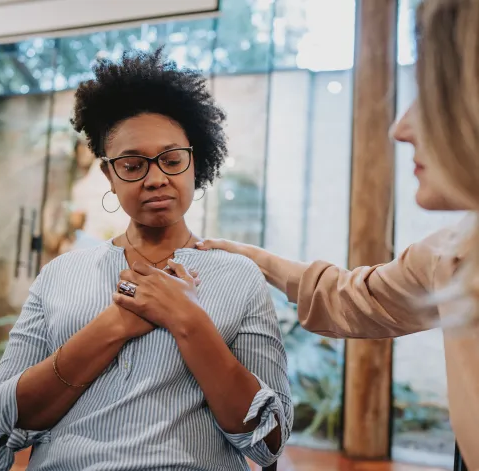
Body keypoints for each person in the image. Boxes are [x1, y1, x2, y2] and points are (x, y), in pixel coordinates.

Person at [0, 49, 292, 471]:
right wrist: (114, 325)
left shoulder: (239, 276)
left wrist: (188, 320)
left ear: (195, 162)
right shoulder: (60, 274)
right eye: (132, 164)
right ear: (108, 174)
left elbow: (269, 439)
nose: (156, 178)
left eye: (172, 159)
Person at [195, 0, 479, 469]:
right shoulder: (450, 256)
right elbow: (350, 297)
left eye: (431, 97)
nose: (398, 128)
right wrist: (251, 258)